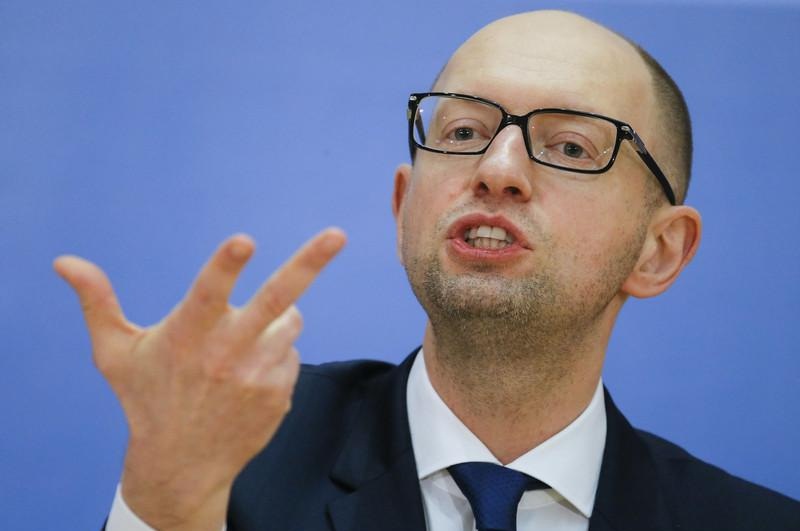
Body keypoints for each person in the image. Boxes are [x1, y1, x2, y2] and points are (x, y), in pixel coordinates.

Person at [55, 10, 799, 531]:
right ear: (405, 205)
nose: (498, 169)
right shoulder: (239, 452)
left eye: (571, 147)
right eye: (465, 130)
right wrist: (165, 502)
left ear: (659, 250)